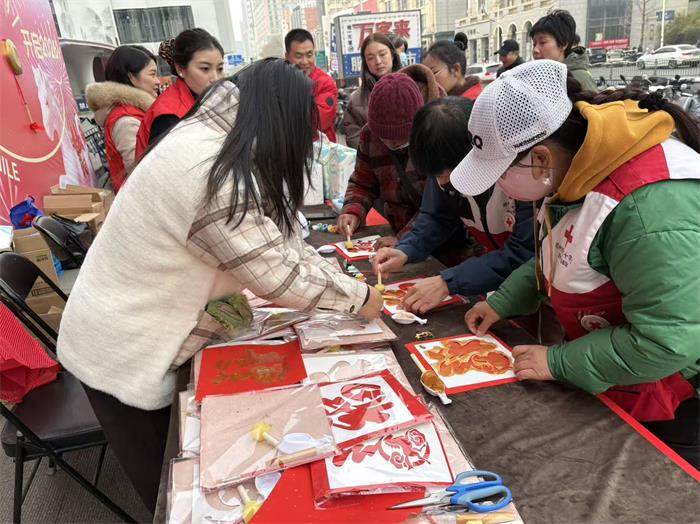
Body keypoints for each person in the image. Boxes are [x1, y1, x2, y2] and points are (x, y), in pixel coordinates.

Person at [57, 59, 384, 514]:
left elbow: (280, 242)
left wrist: (342, 282)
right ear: (279, 123)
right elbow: (277, 275)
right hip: (121, 350)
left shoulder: (217, 141)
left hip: (133, 326)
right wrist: (360, 298)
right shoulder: (208, 168)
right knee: (173, 497)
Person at [455, 59, 700, 465]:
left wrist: (557, 361)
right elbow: (560, 256)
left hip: (675, 394)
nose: (500, 187)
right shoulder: (574, 171)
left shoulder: (650, 209)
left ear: (540, 158)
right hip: (620, 371)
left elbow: (666, 339)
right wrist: (502, 302)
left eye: (501, 174)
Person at [373, 97, 534, 313]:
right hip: (499, 288)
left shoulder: (522, 181)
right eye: (436, 178)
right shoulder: (443, 166)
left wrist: (448, 282)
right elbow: (437, 216)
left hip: (536, 289)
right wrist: (406, 250)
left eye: (450, 179)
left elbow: (523, 253)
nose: (442, 184)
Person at [337, 71, 443, 249]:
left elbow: (438, 206)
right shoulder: (369, 134)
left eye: (401, 137)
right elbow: (362, 182)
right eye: (384, 136)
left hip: (439, 243)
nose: (392, 142)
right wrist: (352, 211)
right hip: (397, 234)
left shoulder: (436, 134)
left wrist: (405, 240)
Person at [135, 28, 224, 155]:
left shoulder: (205, 99)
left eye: (220, 69)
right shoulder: (169, 117)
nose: (215, 78)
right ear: (180, 69)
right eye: (205, 68)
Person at [86, 46, 159, 192]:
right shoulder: (126, 121)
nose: (158, 81)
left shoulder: (134, 113)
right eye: (152, 74)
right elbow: (141, 176)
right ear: (132, 77)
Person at [344, 33, 401, 149]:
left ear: (392, 55)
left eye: (382, 54)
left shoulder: (413, 86)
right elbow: (353, 137)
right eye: (370, 58)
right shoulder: (356, 100)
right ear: (365, 62)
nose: (378, 61)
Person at [284, 28, 338, 142]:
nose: (305, 61)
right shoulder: (280, 84)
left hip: (318, 150)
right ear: (287, 57)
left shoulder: (325, 83)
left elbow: (317, 123)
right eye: (298, 56)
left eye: (309, 55)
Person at [530, 10, 597, 92]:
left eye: (542, 42)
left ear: (563, 44)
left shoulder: (581, 78)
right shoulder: (535, 78)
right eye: (534, 44)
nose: (535, 50)